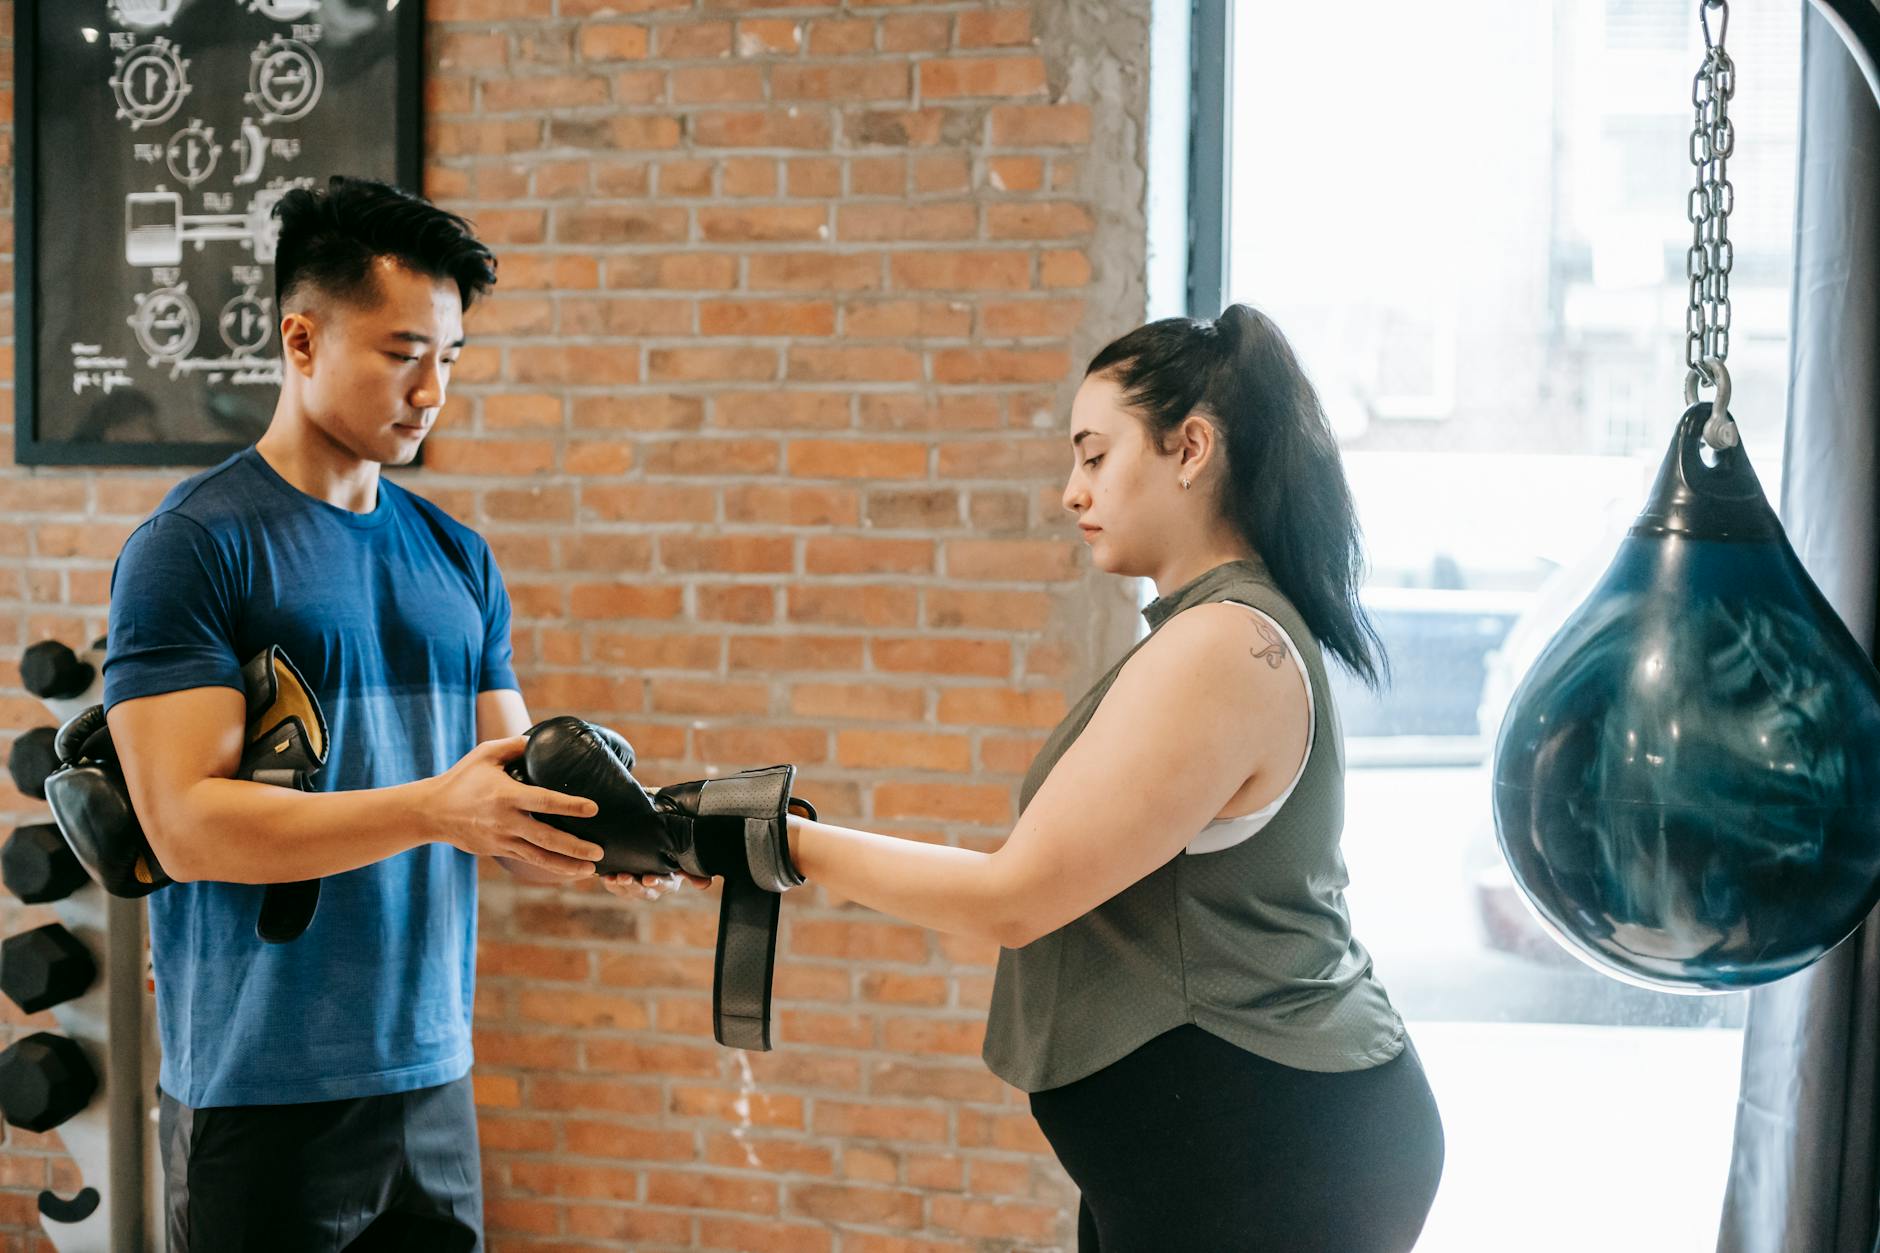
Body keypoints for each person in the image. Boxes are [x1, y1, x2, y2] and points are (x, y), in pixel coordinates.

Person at [606, 305, 1445, 1251]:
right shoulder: (1213, 630)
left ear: (1190, 448)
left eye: (1094, 455)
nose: (1071, 493)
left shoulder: (1222, 645)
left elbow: (1014, 899)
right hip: (1211, 1139)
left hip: (1264, 1146)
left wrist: (775, 837)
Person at [102, 176, 675, 1252]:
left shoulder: (455, 555)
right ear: (302, 338)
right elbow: (185, 826)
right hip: (263, 1083)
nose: (432, 389)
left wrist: (619, 837)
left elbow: (499, 797)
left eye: (450, 358)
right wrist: (434, 808)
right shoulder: (194, 546)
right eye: (402, 353)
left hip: (431, 1074)